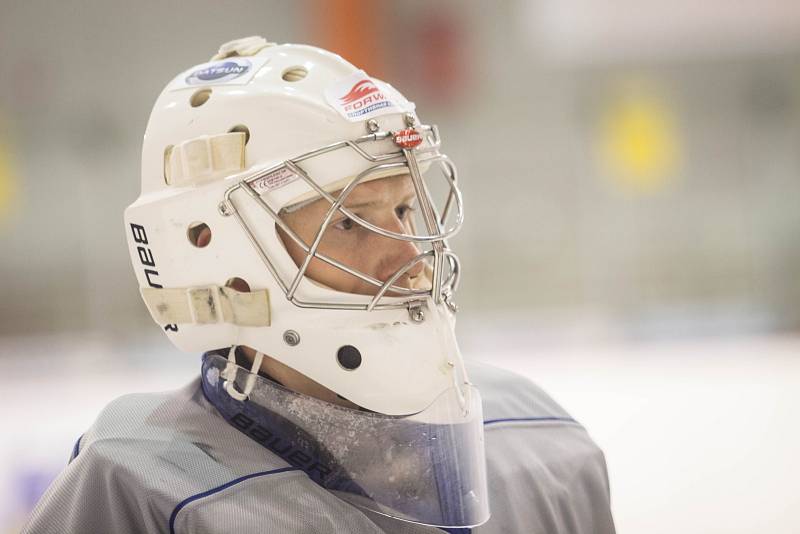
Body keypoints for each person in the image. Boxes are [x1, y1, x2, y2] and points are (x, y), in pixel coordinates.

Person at [22, 36, 615, 534]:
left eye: (406, 209)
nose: (411, 256)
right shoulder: (140, 490)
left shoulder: (545, 441)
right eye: (349, 223)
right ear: (212, 247)